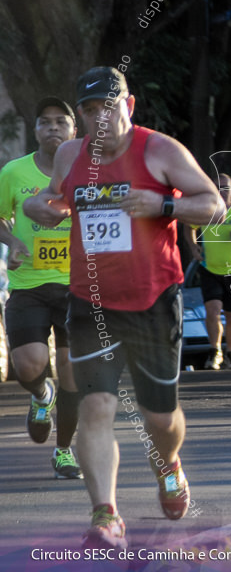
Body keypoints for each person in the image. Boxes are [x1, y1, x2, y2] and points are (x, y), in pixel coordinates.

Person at [23, 66, 225, 549]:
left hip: (154, 300)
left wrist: (163, 206)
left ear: (128, 106)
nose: (100, 118)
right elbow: (47, 201)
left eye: (108, 107)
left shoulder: (159, 151)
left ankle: (169, 465)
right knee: (96, 405)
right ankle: (105, 514)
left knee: (160, 419)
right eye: (90, 111)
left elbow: (213, 204)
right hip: (91, 301)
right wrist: (44, 208)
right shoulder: (71, 154)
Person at [0, 97, 82, 479]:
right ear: (35, 130)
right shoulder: (14, 172)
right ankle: (40, 396)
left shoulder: (87, 173)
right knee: (28, 364)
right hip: (28, 283)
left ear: (73, 131)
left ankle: (64, 451)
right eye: (44, 122)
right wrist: (13, 243)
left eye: (60, 122)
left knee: (70, 372)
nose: (52, 128)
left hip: (77, 285)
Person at [185, 174, 231, 371]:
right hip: (209, 267)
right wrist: (194, 247)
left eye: (225, 187)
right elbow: (189, 227)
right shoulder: (207, 210)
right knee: (212, 311)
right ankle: (215, 352)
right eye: (217, 187)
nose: (221, 191)